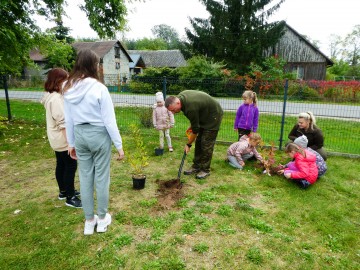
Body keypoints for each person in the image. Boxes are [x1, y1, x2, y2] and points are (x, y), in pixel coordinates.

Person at [63, 49, 125, 235]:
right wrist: (119, 145)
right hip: (99, 134)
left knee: (85, 178)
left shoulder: (67, 86)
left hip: (80, 135)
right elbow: (109, 120)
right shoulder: (99, 88)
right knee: (102, 178)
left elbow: (69, 119)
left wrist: (71, 143)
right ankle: (102, 218)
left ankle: (89, 221)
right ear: (93, 65)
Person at [41, 68, 82, 209]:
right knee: (70, 166)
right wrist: (71, 143)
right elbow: (63, 124)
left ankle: (63, 192)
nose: (67, 82)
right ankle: (70, 197)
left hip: (55, 139)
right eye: (65, 79)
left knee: (61, 164)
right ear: (58, 81)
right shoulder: (56, 99)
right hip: (62, 139)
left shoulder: (51, 96)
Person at [165, 90, 223, 179]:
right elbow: (196, 116)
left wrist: (188, 144)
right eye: (171, 111)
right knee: (199, 142)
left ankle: (205, 170)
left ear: (177, 102)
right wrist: (192, 125)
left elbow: (195, 131)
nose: (173, 112)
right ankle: (196, 166)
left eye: (173, 110)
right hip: (204, 114)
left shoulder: (190, 107)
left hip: (213, 116)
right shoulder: (181, 98)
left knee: (206, 144)